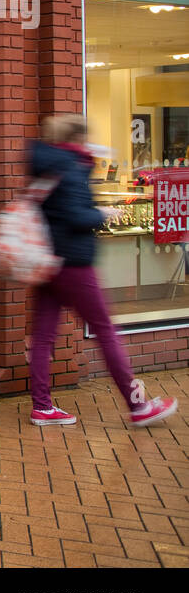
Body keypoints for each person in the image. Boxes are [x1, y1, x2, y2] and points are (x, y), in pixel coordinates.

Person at [27, 114, 178, 427]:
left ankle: (42, 405)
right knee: (106, 331)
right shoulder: (72, 168)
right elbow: (77, 217)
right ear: (80, 138)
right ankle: (138, 405)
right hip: (75, 264)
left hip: (46, 262)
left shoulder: (46, 164)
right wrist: (104, 212)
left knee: (42, 337)